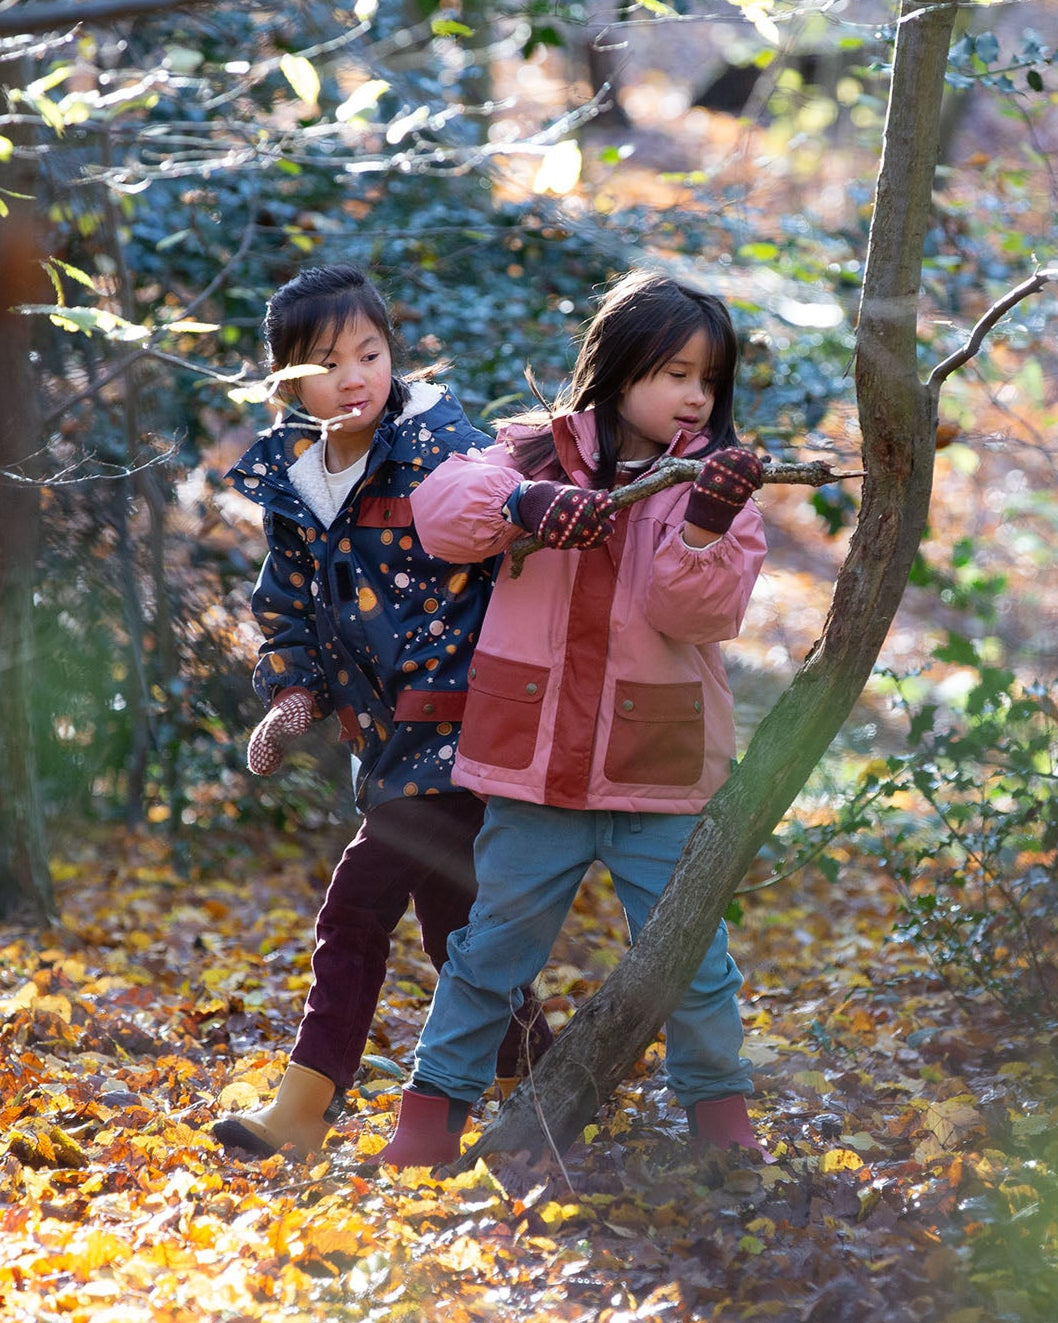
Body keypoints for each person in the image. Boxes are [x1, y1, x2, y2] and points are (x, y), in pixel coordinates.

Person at [379, 267, 770, 1168]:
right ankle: (428, 1123)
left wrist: (706, 527)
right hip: (534, 767)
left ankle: (723, 1127)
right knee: (488, 957)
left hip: (657, 773)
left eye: (709, 379)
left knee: (694, 962)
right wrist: (520, 502)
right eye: (674, 371)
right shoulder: (532, 448)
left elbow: (698, 615)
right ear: (620, 366)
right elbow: (441, 518)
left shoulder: (720, 480)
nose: (694, 395)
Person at [213, 264, 550, 1162]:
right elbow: (287, 605)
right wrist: (292, 695)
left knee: (355, 909)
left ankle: (301, 1108)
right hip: (384, 741)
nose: (354, 375)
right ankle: (545, 1081)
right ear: (288, 381)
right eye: (327, 362)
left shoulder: (437, 449)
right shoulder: (295, 485)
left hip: (460, 725)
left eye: (370, 351)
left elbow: (504, 523)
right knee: (456, 929)